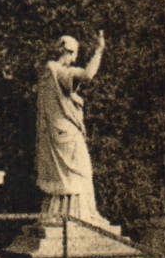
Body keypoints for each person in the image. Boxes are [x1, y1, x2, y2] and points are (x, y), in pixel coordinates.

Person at [35, 31, 109, 226]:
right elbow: (87, 74)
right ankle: (80, 216)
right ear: (69, 52)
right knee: (82, 172)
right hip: (67, 133)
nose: (75, 59)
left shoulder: (47, 72)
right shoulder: (58, 70)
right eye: (74, 54)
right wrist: (99, 51)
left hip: (54, 132)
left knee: (69, 175)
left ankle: (63, 213)